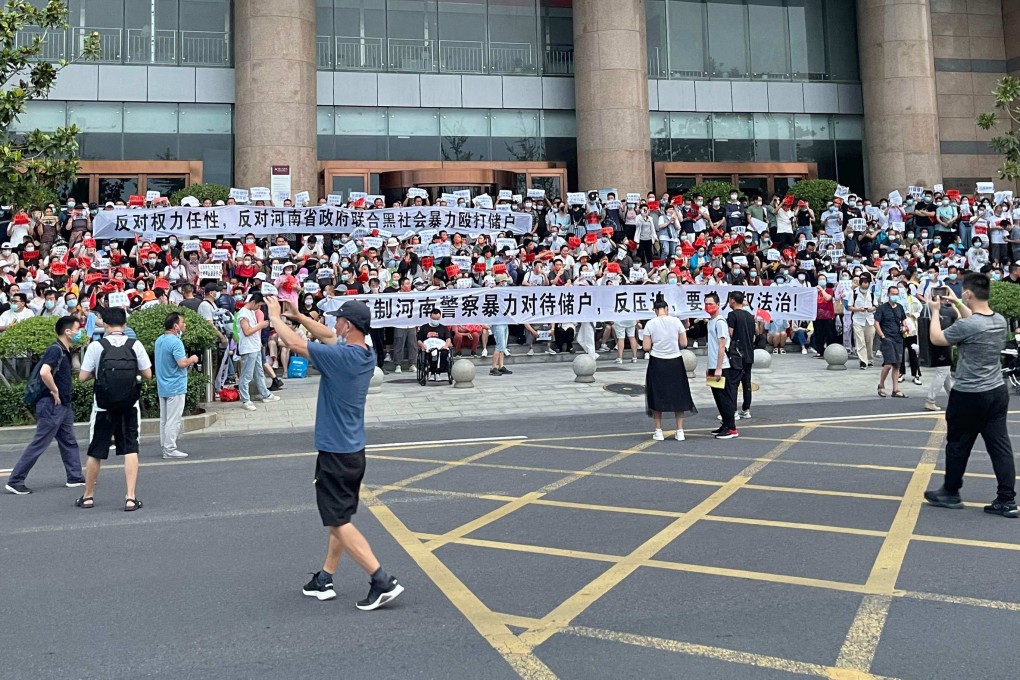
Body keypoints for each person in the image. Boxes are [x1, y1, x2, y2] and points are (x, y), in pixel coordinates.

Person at [265, 296, 405, 608]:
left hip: (336, 453)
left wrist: (275, 318)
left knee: (338, 521)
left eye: (338, 319)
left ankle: (381, 580)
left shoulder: (341, 358)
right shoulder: (363, 353)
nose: (334, 323)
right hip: (353, 451)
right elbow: (327, 337)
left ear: (349, 325)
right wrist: (299, 316)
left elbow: (297, 346)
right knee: (337, 518)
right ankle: (325, 578)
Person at [924, 273, 1017, 518]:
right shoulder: (999, 320)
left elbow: (937, 338)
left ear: (969, 293)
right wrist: (956, 303)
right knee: (1000, 446)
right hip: (997, 391)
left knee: (957, 444)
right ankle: (1007, 500)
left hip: (969, 393)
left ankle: (951, 493)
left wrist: (934, 310)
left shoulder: (968, 325)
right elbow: (974, 320)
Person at [77, 306, 152, 511]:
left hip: (103, 406)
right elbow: (147, 374)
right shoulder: (135, 345)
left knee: (96, 450)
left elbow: (83, 377)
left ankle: (88, 496)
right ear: (124, 324)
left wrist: (99, 374)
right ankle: (130, 497)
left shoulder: (97, 346)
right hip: (129, 405)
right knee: (130, 448)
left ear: (105, 325)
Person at [5, 316, 84, 494]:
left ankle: (75, 476)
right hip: (52, 404)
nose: (79, 333)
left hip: (63, 405)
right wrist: (54, 390)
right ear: (67, 331)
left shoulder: (65, 350)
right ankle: (16, 480)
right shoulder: (55, 350)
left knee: (68, 441)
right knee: (40, 443)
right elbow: (44, 372)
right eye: (77, 329)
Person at [642, 298, 695, 441]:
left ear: (655, 310)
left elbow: (646, 347)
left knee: (657, 394)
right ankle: (680, 430)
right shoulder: (676, 321)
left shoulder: (650, 324)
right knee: (679, 394)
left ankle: (658, 430)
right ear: (667, 309)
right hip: (675, 361)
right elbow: (684, 343)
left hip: (657, 362)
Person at [154, 312, 199, 460]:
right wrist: (192, 359)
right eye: (182, 323)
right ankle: (170, 448)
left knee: (165, 419)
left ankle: (165, 445)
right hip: (176, 385)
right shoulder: (176, 342)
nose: (184, 325)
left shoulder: (159, 340)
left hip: (163, 385)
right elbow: (182, 363)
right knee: (174, 419)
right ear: (175, 326)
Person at [236, 291, 281, 411]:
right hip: (248, 348)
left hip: (255, 346)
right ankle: (245, 399)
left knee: (259, 372)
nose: (259, 308)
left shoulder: (250, 312)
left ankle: (265, 394)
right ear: (253, 302)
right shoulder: (243, 314)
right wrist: (261, 325)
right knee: (247, 375)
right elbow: (247, 331)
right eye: (258, 305)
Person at [706, 292, 740, 439]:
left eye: (711, 304)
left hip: (722, 366)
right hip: (713, 365)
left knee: (724, 396)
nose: (708, 306)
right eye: (706, 304)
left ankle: (732, 428)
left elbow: (721, 346)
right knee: (717, 397)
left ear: (718, 305)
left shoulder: (720, 322)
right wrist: (710, 367)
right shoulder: (710, 322)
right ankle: (725, 424)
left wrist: (719, 367)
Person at [726, 291, 757, 420]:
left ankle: (733, 411)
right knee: (746, 383)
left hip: (736, 354)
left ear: (733, 300)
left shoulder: (732, 315)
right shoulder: (750, 316)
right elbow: (754, 335)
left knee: (733, 383)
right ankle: (746, 409)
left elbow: (730, 334)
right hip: (749, 352)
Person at [874, 285, 907, 398]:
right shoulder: (882, 308)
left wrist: (905, 328)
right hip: (887, 338)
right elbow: (876, 323)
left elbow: (903, 321)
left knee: (897, 365)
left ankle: (896, 389)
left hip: (898, 338)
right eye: (892, 294)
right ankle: (881, 385)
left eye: (896, 294)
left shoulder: (900, 307)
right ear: (888, 294)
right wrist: (882, 335)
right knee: (888, 364)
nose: (894, 296)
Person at [924, 298, 958, 411]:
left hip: (936, 343)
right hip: (942, 343)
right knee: (942, 372)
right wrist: (954, 304)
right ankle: (930, 400)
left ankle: (955, 399)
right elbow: (959, 317)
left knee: (946, 373)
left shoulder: (928, 308)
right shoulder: (946, 310)